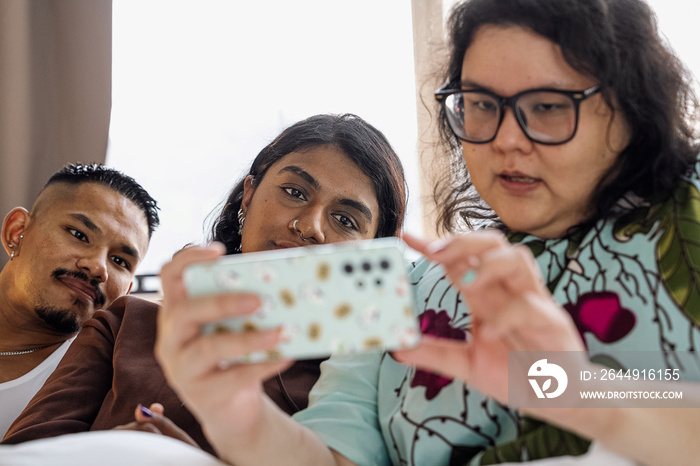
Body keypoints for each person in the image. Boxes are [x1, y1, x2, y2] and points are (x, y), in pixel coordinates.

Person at [152, 0, 700, 465]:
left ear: (630, 104)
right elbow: (334, 453)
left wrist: (582, 394)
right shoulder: (402, 289)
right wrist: (236, 416)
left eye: (549, 106)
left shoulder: (690, 209)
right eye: (483, 105)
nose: (506, 139)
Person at [2, 113, 408, 456]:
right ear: (248, 196)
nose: (310, 226)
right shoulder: (127, 323)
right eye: (294, 191)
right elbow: (25, 454)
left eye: (346, 220)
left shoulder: (368, 381)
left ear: (373, 250)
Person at [0, 162, 159, 439]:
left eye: (120, 261)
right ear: (17, 232)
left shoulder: (107, 387)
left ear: (128, 290)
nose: (99, 268)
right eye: (79, 235)